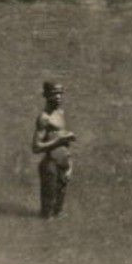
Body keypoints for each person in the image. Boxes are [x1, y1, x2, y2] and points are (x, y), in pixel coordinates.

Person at [31, 80, 75, 219]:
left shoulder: (60, 113)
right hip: (50, 164)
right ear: (45, 94)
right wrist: (59, 140)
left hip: (63, 163)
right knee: (47, 213)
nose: (58, 97)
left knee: (59, 210)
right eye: (54, 93)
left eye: (60, 93)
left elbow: (66, 144)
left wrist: (70, 164)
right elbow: (36, 147)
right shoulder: (44, 118)